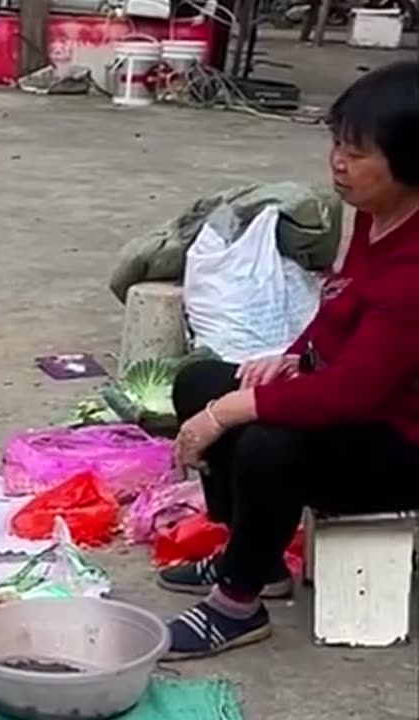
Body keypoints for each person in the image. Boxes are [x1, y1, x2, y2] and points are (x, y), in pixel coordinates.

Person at [157, 59, 419, 660]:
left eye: (357, 152)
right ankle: (259, 557)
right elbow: (338, 308)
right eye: (336, 143)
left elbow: (353, 391)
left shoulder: (415, 270)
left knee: (266, 440)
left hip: (403, 445)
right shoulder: (375, 218)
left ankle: (237, 606)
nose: (337, 162)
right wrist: (292, 358)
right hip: (364, 406)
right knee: (200, 379)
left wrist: (230, 412)